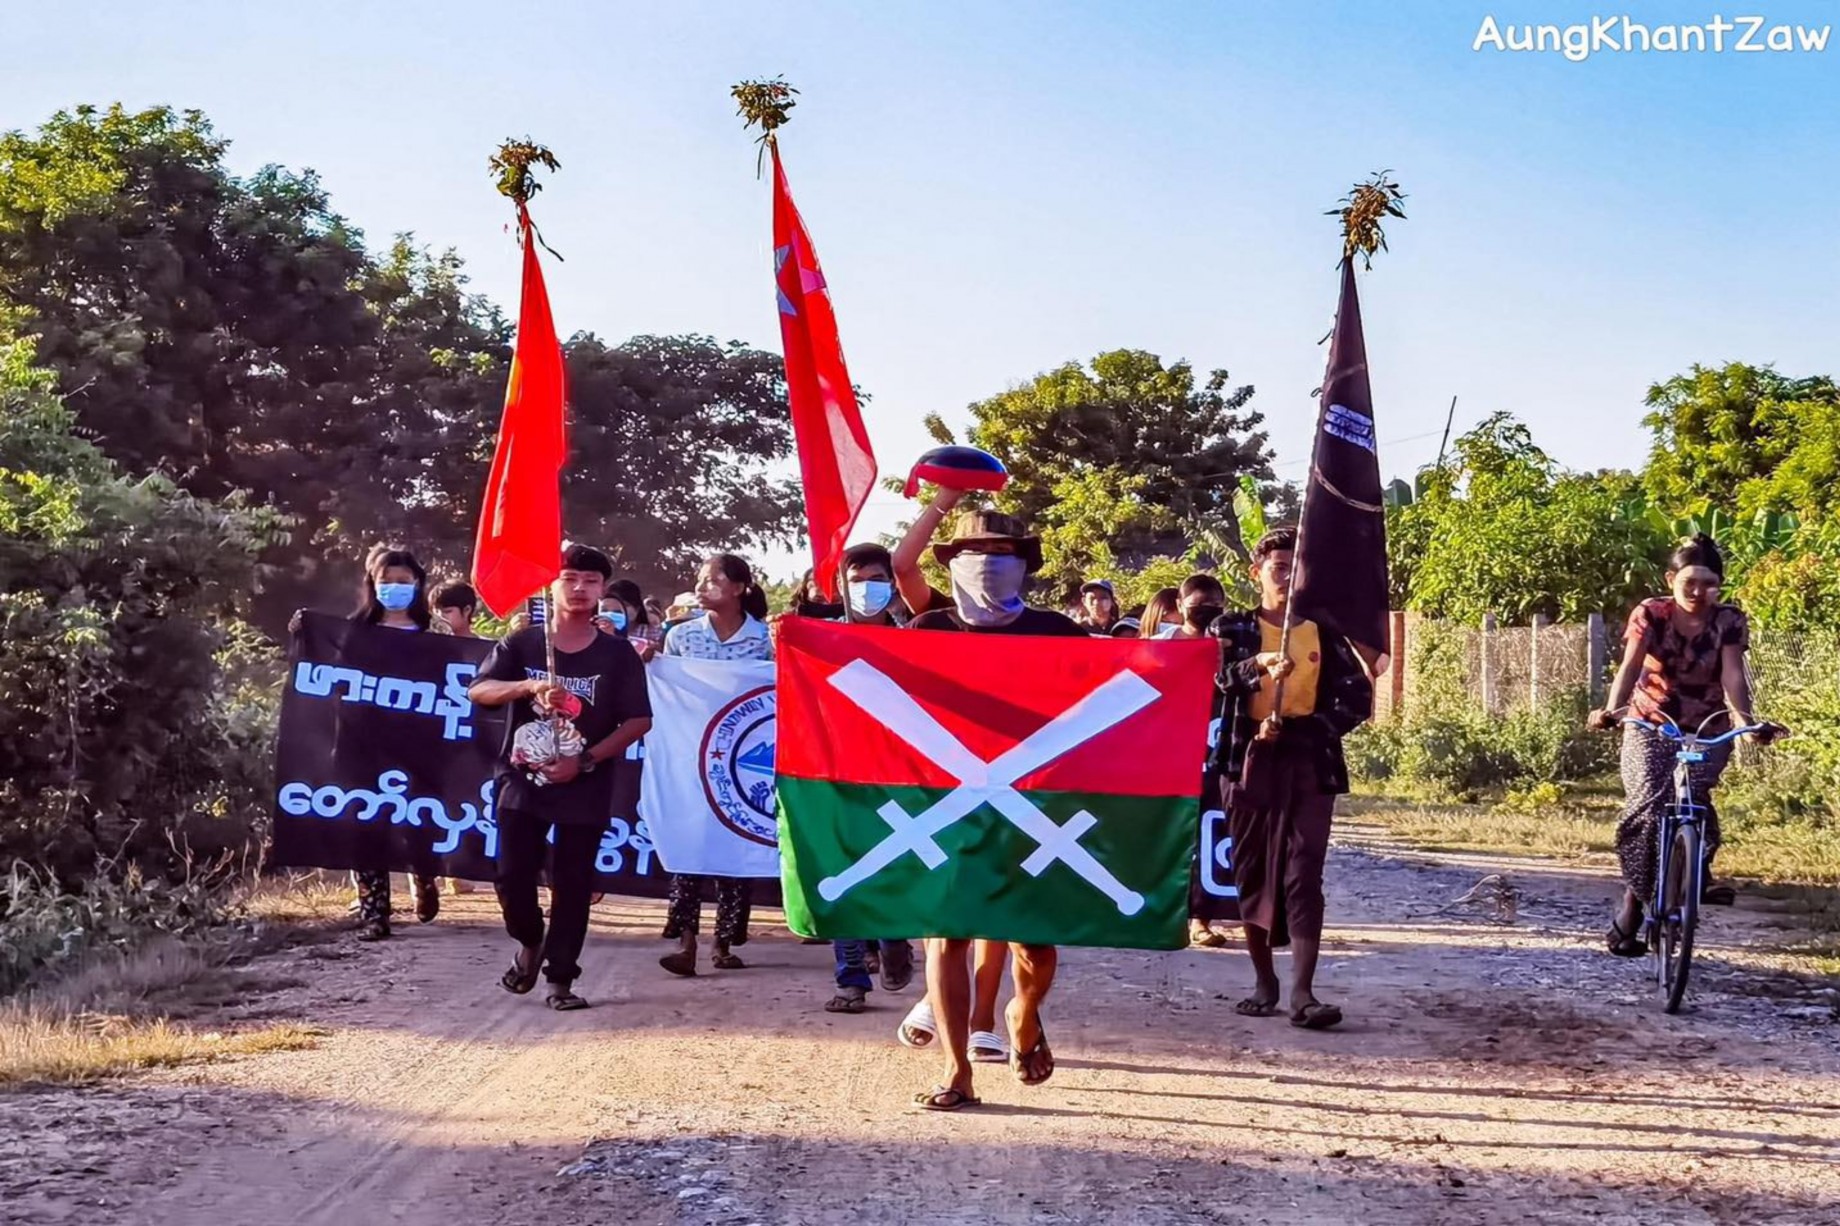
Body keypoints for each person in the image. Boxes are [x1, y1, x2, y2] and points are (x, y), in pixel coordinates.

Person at [906, 508, 1087, 1111]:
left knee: (1034, 942)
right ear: (952, 562)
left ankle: (1023, 1013)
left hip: (1034, 804)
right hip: (949, 803)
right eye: (974, 551)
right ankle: (957, 1069)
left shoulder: (1058, 633)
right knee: (947, 936)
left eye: (1002, 551)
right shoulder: (926, 630)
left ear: (1023, 564)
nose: (987, 562)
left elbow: (1116, 695)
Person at [468, 545, 652, 1010]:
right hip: (521, 780)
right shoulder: (523, 644)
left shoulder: (617, 654)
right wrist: (528, 686)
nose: (579, 588)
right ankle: (530, 940)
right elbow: (480, 689)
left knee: (573, 883)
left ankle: (561, 980)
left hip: (585, 782)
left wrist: (584, 761)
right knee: (512, 874)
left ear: (602, 588)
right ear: (551, 585)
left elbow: (638, 721)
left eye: (590, 581)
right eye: (569, 578)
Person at [1589, 535, 1786, 955]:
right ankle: (1633, 904)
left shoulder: (1729, 620)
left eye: (1709, 584)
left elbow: (1732, 675)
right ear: (1671, 580)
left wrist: (1746, 723)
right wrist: (1612, 710)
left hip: (1709, 723)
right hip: (1652, 722)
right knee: (1648, 804)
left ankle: (1697, 872)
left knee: (1695, 798)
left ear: (1720, 586)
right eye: (1689, 582)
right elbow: (1631, 665)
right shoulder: (1651, 613)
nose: (1699, 592)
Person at [1211, 528, 1371, 1030]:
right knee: (1252, 872)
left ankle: (1303, 992)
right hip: (1247, 760)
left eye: (1295, 568)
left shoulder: (1323, 631)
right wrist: (1258, 666)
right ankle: (1265, 982)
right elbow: (1215, 679)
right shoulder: (1231, 627)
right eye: (1278, 567)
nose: (1287, 577)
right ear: (1256, 573)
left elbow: (1357, 697)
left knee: (1304, 873)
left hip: (1309, 760)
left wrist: (1309, 730)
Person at [290, 548, 446, 939]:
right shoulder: (352, 633)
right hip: (362, 744)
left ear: (418, 585)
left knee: (419, 825)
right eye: (386, 582)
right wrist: (304, 635)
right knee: (365, 824)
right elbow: (327, 678)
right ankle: (375, 912)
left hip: (420, 746)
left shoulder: (435, 636)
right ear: (373, 585)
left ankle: (424, 872)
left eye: (403, 582)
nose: (394, 588)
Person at [657, 554, 773, 977]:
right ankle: (685, 940)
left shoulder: (766, 640)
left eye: (713, 579)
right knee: (689, 842)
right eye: (700, 579)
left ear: (739, 588)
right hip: (691, 752)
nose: (701, 586)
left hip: (743, 757)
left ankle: (723, 940)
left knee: (735, 840)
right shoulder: (681, 636)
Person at [814, 543, 918, 1013]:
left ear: (892, 586)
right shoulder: (821, 639)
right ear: (841, 587)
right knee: (840, 868)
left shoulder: (916, 639)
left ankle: (893, 937)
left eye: (877, 580)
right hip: (835, 769)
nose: (867, 589)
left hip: (900, 773)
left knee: (892, 864)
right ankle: (851, 978)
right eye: (857, 581)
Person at [1169, 573, 1228, 641]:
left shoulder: (1232, 641)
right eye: (1198, 603)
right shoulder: (1162, 641)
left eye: (1215, 604)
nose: (1206, 609)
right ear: (1179, 605)